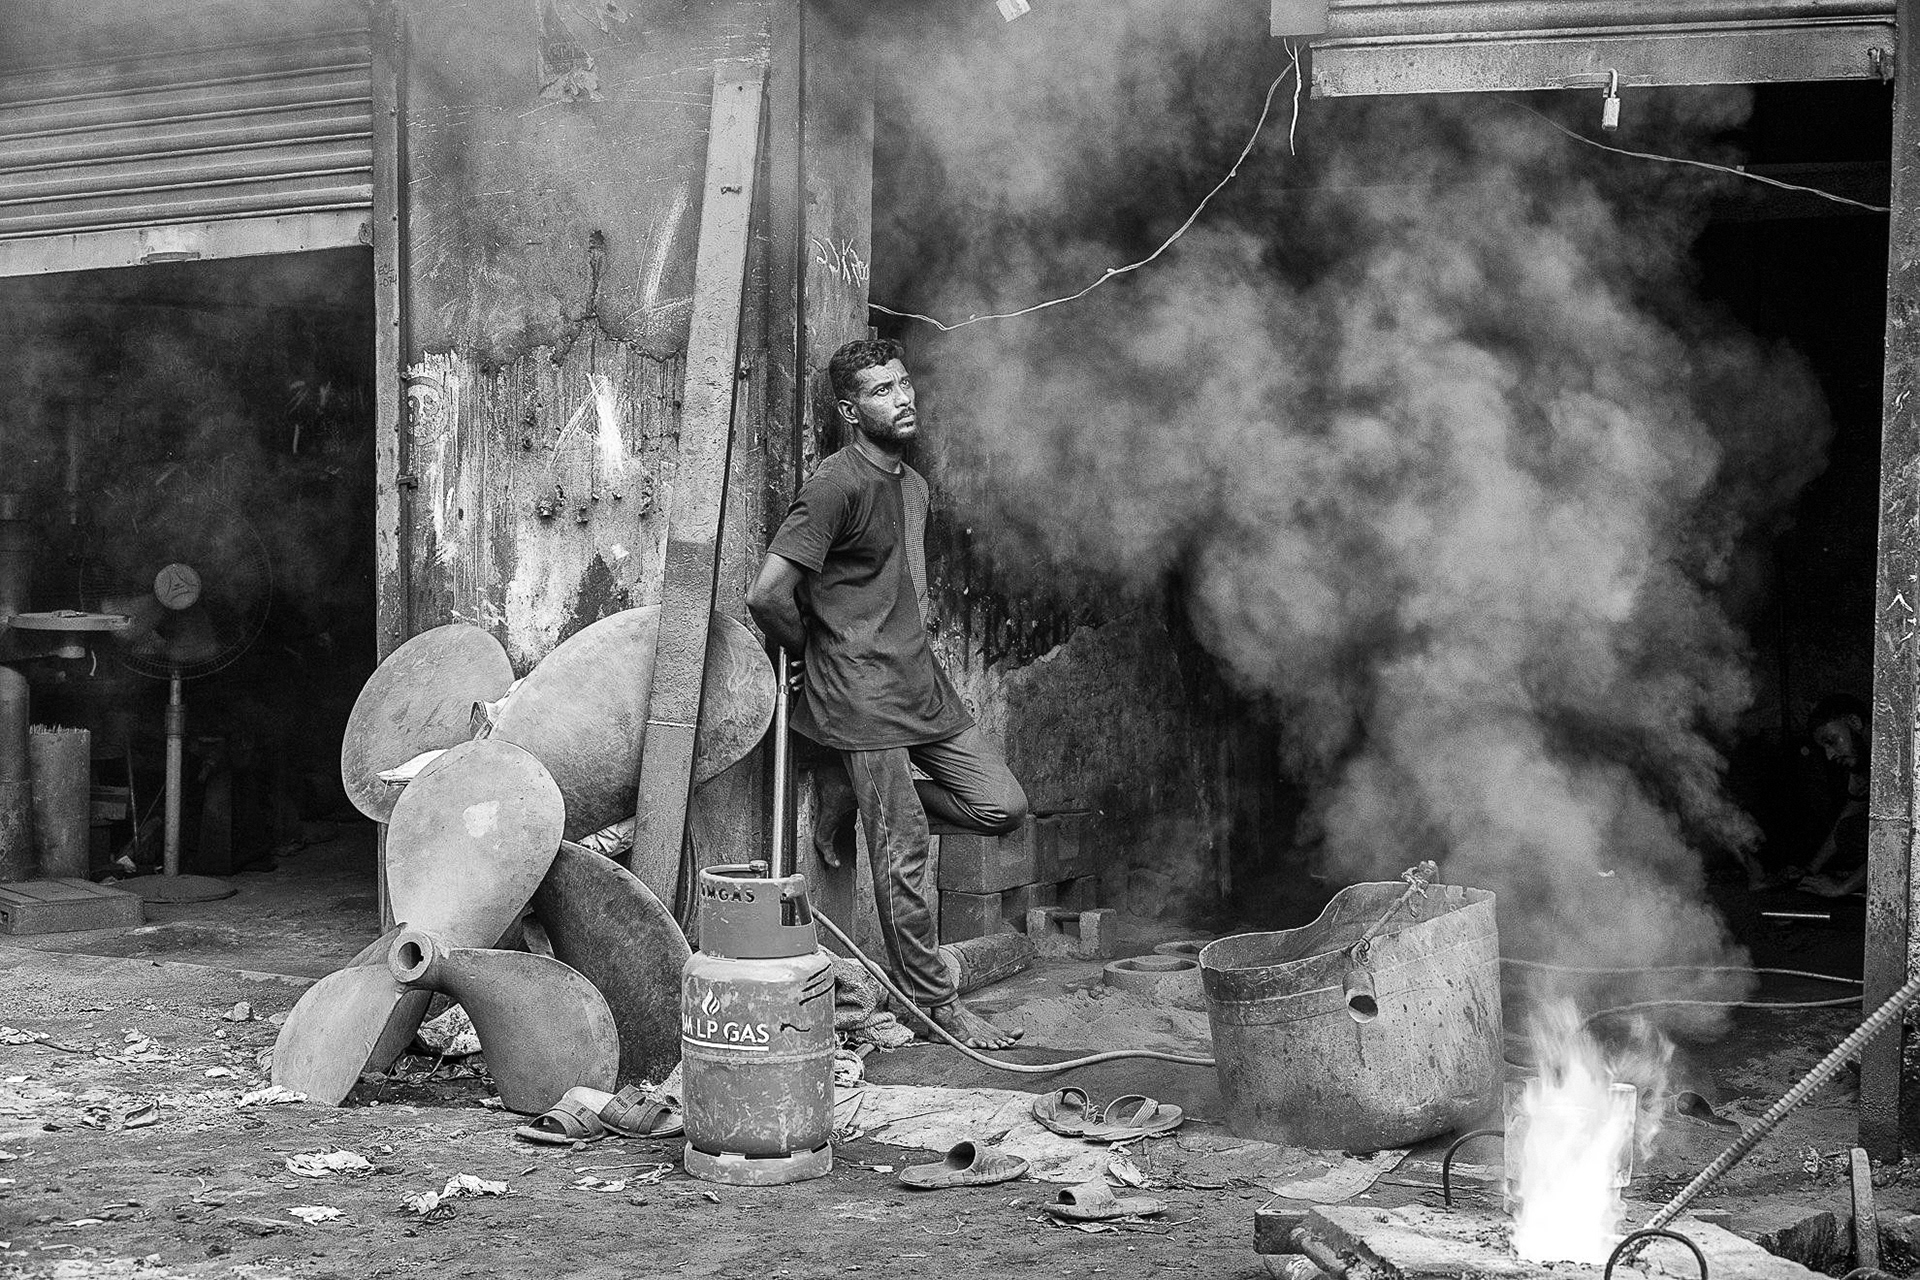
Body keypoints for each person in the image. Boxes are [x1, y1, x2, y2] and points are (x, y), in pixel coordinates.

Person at [747, 338, 1029, 1050]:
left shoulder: (914, 486)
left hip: (919, 685)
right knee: (903, 852)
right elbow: (768, 593)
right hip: (862, 695)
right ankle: (933, 1006)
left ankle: (854, 789)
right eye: (881, 391)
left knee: (1002, 805)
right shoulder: (834, 486)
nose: (902, 399)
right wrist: (812, 652)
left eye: (903, 384)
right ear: (850, 411)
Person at [1785, 694, 1869, 898]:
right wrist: (1810, 869)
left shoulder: (1899, 754)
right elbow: (1848, 816)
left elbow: (1899, 838)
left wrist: (1843, 888)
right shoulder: (1862, 764)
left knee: (1853, 832)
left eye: (1831, 741)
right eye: (1824, 748)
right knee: (1848, 830)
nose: (1829, 755)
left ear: (1855, 722)